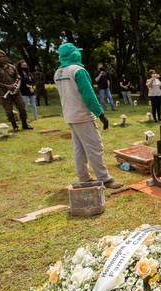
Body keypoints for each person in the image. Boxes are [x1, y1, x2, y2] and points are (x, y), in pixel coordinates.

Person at [54, 43, 122, 189]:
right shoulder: (78, 71)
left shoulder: (58, 72)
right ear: (73, 54)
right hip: (82, 115)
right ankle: (105, 179)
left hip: (70, 115)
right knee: (94, 147)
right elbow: (89, 95)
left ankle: (84, 178)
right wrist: (101, 114)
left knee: (79, 149)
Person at [0, 49, 33, 132]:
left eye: (3, 56)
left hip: (15, 91)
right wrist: (7, 86)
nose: (2, 58)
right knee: (8, 109)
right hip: (3, 92)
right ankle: (14, 126)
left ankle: (24, 124)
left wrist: (17, 86)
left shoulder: (11, 66)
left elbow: (18, 78)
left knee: (22, 107)